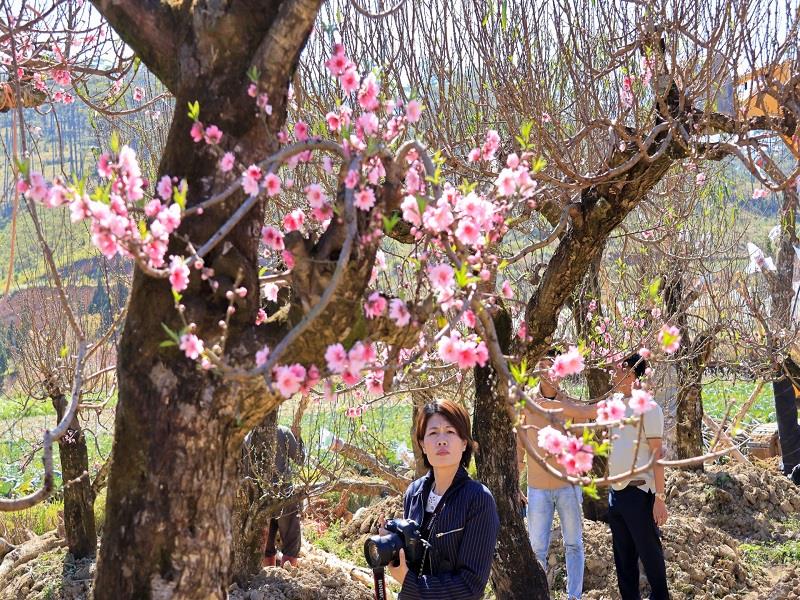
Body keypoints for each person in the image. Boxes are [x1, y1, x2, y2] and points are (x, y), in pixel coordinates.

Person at [386, 399, 499, 599]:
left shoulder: (478, 499)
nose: (442, 440)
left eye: (450, 431)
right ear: (422, 444)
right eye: (433, 433)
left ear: (464, 443)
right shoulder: (414, 492)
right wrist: (393, 545)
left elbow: (470, 586)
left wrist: (409, 582)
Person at [516, 352, 597, 600]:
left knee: (573, 544)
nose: (549, 372)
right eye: (543, 366)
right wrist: (514, 483)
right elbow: (519, 445)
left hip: (568, 486)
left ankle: (575, 596)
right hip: (537, 489)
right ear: (537, 370)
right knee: (537, 549)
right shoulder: (526, 403)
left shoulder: (570, 404)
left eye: (553, 367)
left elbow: (585, 438)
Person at [606, 353, 669, 600]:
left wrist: (660, 498)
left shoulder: (649, 409)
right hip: (616, 493)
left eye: (618, 369)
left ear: (631, 374)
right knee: (623, 560)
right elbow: (584, 411)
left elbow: (657, 456)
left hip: (639, 493)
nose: (613, 373)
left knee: (650, 555)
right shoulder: (615, 404)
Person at [262, 424, 305, 568]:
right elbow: (300, 459)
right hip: (284, 493)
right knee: (291, 539)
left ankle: (267, 574)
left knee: (266, 542)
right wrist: (297, 438)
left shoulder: (249, 434)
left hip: (260, 495)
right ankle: (287, 578)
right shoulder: (282, 431)